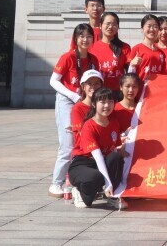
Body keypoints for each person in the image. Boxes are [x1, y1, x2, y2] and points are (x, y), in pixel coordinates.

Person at [48, 24, 99, 198]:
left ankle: (72, 181)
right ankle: (56, 183)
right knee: (67, 143)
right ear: (75, 39)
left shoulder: (93, 60)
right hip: (67, 101)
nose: (85, 39)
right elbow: (53, 81)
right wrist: (72, 95)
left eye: (89, 36)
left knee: (82, 141)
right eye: (81, 36)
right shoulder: (68, 57)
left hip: (86, 102)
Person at [68, 87, 127, 209]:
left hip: (100, 163)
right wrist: (108, 182)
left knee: (116, 157)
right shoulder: (89, 126)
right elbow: (98, 156)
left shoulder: (114, 123)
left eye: (110, 101)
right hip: (83, 164)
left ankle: (112, 196)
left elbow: (113, 150)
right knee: (95, 177)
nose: (107, 105)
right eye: (103, 102)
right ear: (94, 104)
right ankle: (79, 191)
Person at [89, 12, 131, 92]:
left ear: (117, 27)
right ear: (100, 25)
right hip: (98, 92)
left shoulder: (125, 47)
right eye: (108, 24)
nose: (110, 27)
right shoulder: (92, 47)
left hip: (118, 92)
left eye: (114, 24)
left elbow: (129, 71)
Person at [70, 69, 104, 147]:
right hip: (85, 149)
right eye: (89, 83)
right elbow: (80, 134)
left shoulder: (106, 106)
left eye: (96, 83)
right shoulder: (77, 108)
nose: (93, 87)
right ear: (83, 87)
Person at [128, 14, 166, 82]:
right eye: (149, 26)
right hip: (140, 86)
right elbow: (129, 75)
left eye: (155, 26)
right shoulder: (136, 49)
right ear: (142, 29)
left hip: (156, 87)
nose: (152, 29)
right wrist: (132, 64)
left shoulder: (161, 53)